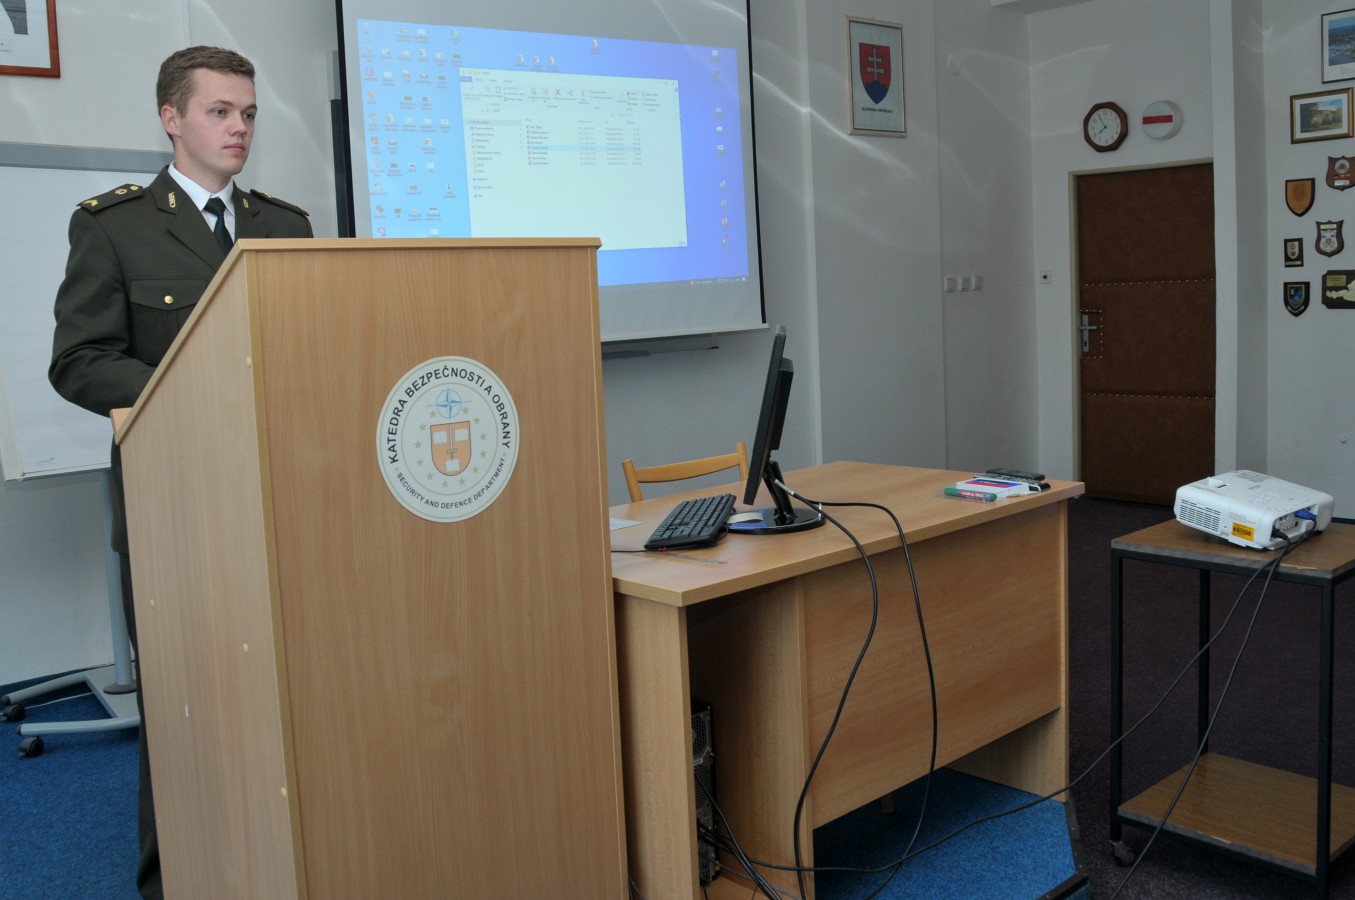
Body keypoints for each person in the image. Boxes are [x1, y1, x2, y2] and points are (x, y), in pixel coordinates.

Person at [48, 46, 313, 900]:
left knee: (285, 696)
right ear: (172, 118)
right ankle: (169, 881)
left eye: (249, 114)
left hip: (280, 501)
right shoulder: (114, 226)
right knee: (183, 708)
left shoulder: (285, 226)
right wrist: (195, 384)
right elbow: (80, 361)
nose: (239, 128)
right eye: (219, 112)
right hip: (176, 511)